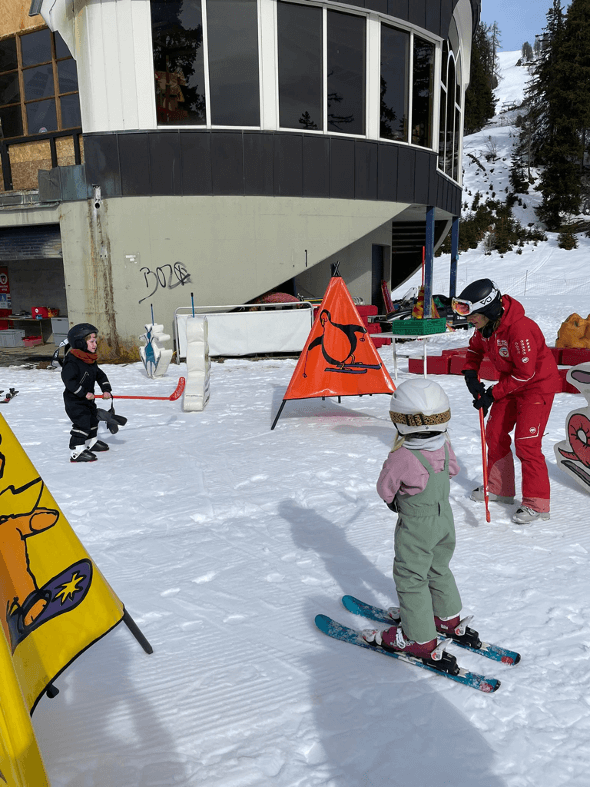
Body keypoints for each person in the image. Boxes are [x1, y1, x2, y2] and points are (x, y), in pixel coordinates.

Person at [362, 379, 476, 666]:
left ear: (400, 420)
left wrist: (396, 501)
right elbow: (453, 470)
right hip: (444, 520)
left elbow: (385, 488)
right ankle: (448, 619)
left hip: (416, 526)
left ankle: (420, 639)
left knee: (411, 577)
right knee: (439, 567)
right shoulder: (445, 446)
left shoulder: (402, 456)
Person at [452, 279, 561, 524]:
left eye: (473, 315)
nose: (470, 320)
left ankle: (537, 503)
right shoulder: (485, 327)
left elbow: (526, 374)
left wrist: (492, 394)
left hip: (536, 387)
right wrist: (471, 375)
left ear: (488, 309)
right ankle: (501, 489)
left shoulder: (520, 329)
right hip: (511, 385)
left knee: (526, 443)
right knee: (494, 433)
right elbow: (473, 350)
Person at [62, 323, 113, 463]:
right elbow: (69, 381)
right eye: (91, 341)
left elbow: (99, 375)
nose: (95, 344)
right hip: (75, 400)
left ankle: (91, 442)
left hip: (88, 399)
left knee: (92, 419)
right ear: (80, 343)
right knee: (82, 423)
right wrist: (83, 393)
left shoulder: (89, 359)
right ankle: (76, 451)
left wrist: (106, 389)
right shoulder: (72, 361)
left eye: (95, 341)